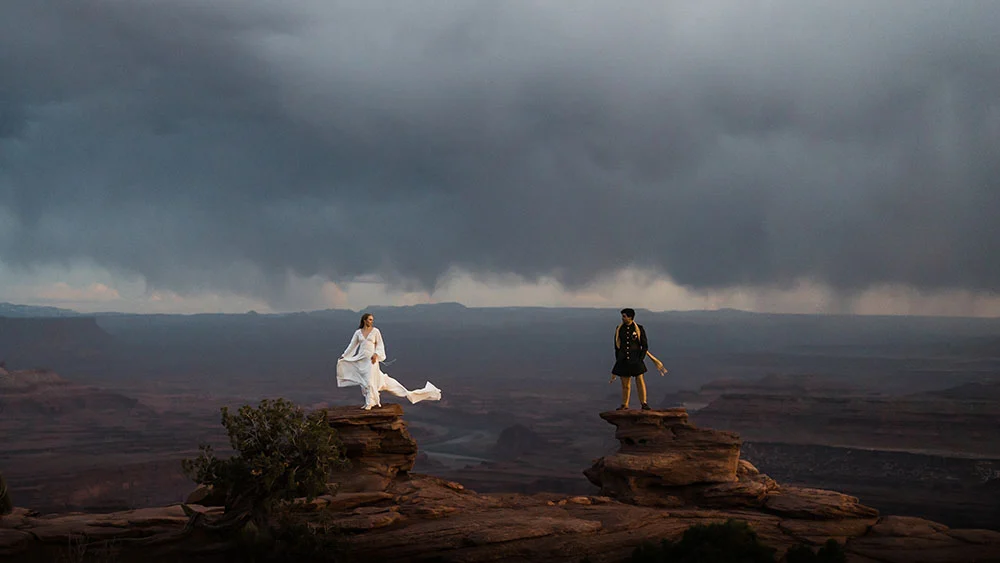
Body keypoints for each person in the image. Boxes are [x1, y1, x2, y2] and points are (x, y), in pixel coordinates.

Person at [336, 313, 442, 410]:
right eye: (370, 319)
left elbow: (380, 345)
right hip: (361, 360)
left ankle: (370, 402)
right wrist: (344, 356)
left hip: (371, 361)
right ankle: (369, 401)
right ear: (364, 320)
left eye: (372, 320)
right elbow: (352, 346)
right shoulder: (358, 333)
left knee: (369, 381)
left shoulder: (375, 331)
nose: (371, 321)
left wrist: (376, 354)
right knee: (364, 382)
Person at [610, 308, 667, 411]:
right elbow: (617, 346)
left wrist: (640, 359)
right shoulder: (619, 328)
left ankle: (644, 403)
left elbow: (644, 346)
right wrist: (618, 359)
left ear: (630, 317)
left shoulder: (638, 329)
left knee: (640, 381)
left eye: (624, 316)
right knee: (625, 384)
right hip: (623, 360)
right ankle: (625, 404)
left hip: (636, 359)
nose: (622, 318)